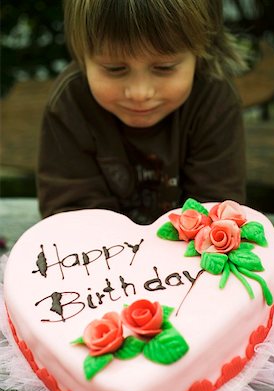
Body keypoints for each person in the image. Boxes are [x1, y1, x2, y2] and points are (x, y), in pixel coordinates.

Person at [38, 0, 247, 224]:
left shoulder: (213, 99)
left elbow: (217, 212)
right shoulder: (70, 103)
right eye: (115, 69)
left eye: (164, 68)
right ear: (81, 55)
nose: (140, 93)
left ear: (202, 48)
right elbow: (71, 214)